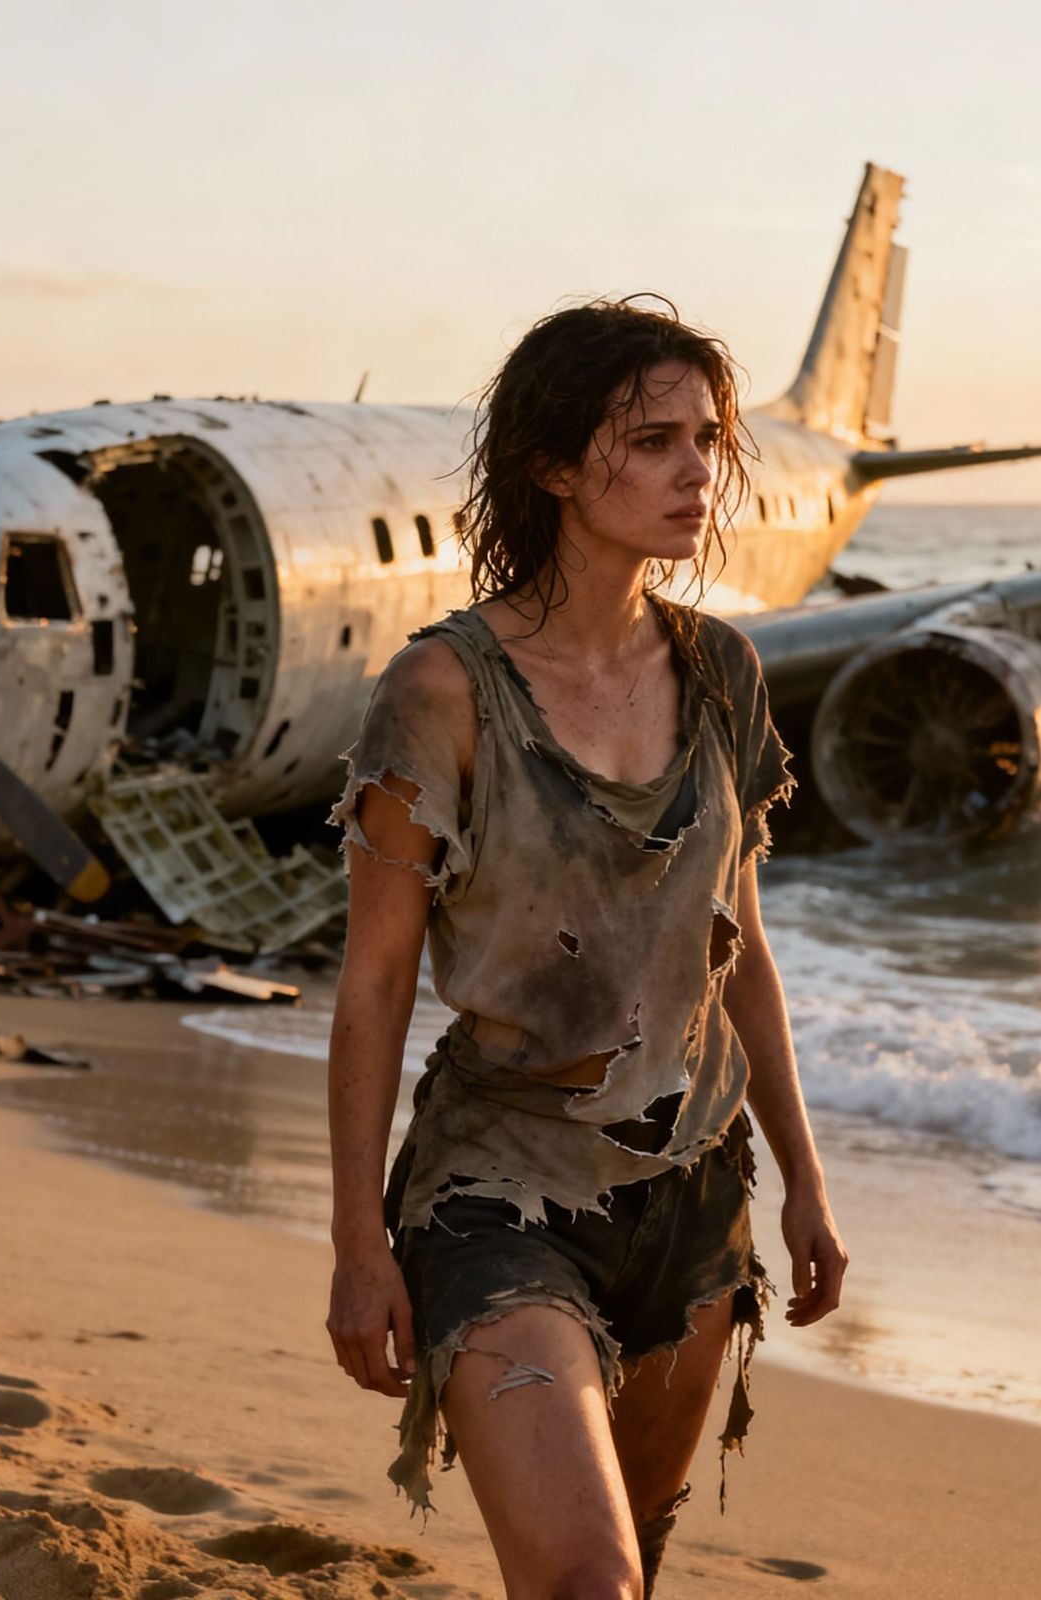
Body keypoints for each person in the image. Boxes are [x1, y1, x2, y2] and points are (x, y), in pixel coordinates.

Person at [326, 298, 847, 1600]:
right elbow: (376, 981)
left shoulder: (724, 671)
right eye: (654, 441)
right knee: (583, 1582)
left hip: (692, 1199)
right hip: (498, 1194)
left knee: (639, 1567)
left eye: (707, 440)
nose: (697, 472)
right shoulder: (441, 694)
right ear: (555, 467)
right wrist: (354, 1244)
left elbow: (747, 955)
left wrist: (805, 1181)